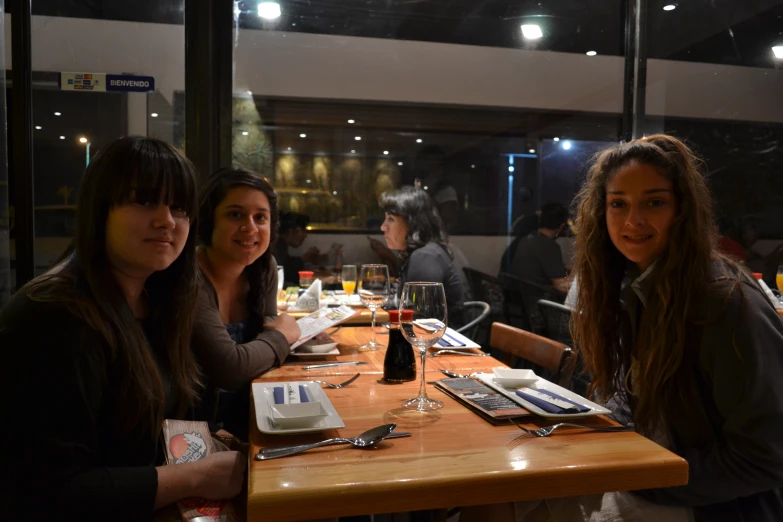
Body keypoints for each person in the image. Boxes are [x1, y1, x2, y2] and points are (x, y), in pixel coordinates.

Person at [0, 136, 245, 520]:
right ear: (101, 209)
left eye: (179, 208)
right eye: (145, 201)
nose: (167, 220)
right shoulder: (53, 316)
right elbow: (51, 489)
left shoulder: (158, 297)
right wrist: (195, 476)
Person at [568, 134, 783, 521]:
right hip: (656, 482)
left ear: (683, 210)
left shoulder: (725, 303)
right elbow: (635, 401)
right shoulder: (640, 286)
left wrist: (639, 473)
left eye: (654, 202)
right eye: (618, 204)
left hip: (710, 507)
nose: (633, 220)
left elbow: (766, 457)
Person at [193, 168, 300, 438]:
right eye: (235, 214)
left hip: (254, 417)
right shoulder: (190, 277)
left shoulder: (263, 267)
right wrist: (282, 335)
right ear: (209, 221)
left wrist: (299, 336)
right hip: (193, 432)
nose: (250, 227)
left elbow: (267, 330)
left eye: (260, 217)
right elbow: (230, 369)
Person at [379, 186, 465, 321]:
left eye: (391, 219)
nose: (383, 227)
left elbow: (420, 323)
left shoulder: (425, 258)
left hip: (435, 341)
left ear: (412, 223)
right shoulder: (418, 253)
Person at [506, 202, 572, 295]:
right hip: (537, 302)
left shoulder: (527, 238)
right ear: (562, 226)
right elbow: (562, 287)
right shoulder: (549, 246)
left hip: (519, 299)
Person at [275, 211, 320, 287]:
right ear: (292, 231)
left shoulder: (280, 244)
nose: (305, 236)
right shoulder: (277, 245)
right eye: (304, 231)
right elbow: (285, 271)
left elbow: (287, 263)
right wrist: (305, 257)